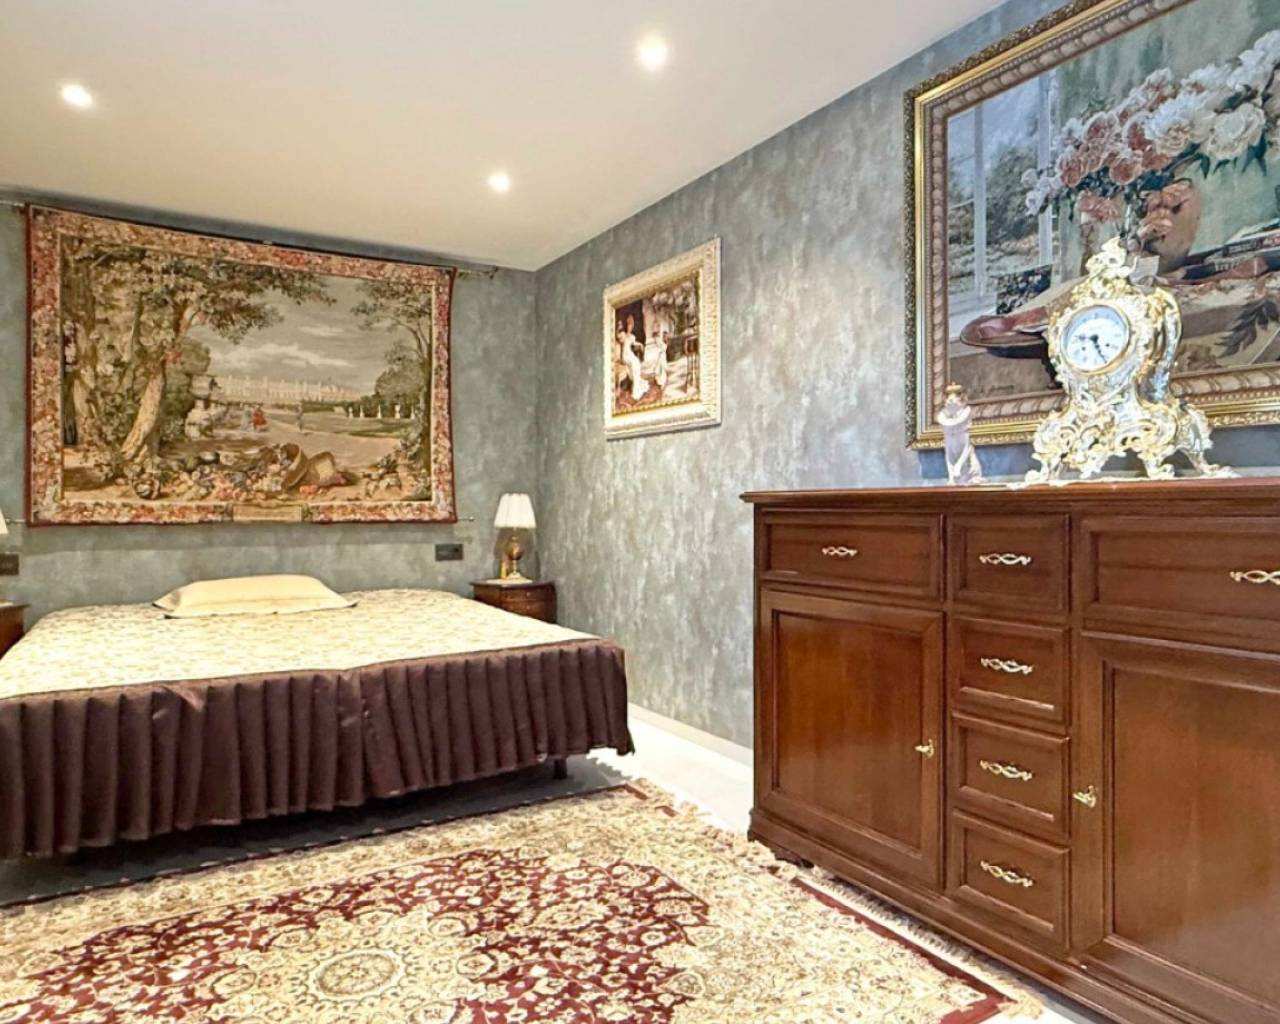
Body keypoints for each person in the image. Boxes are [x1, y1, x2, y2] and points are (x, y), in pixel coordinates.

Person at [617, 314, 647, 401]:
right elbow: (618, 338)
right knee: (635, 363)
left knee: (636, 364)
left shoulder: (632, 336)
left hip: (629, 354)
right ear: (626, 326)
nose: (630, 327)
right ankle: (635, 391)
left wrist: (640, 344)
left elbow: (634, 343)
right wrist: (619, 328)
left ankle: (636, 385)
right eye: (628, 325)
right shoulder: (623, 334)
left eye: (631, 325)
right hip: (625, 355)